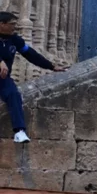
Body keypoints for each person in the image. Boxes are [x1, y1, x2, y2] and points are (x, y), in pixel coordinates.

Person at [0, 12, 66, 142]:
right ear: (2, 24)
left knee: (13, 94)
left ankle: (19, 131)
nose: (16, 27)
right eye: (12, 24)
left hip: (2, 79)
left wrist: (51, 66)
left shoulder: (15, 40)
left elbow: (30, 54)